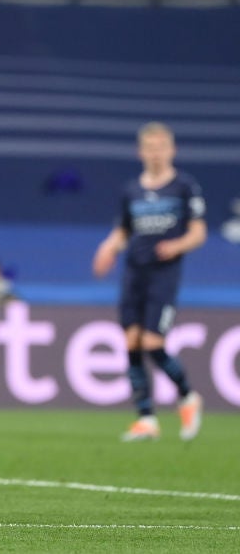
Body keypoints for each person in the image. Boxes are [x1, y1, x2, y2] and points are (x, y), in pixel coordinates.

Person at [92, 122, 206, 442]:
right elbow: (124, 230)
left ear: (172, 150)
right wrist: (108, 248)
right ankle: (146, 418)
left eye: (161, 148)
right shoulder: (131, 190)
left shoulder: (184, 186)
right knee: (130, 342)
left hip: (163, 275)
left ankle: (188, 396)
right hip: (134, 272)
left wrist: (177, 246)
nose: (156, 154)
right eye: (150, 148)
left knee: (152, 343)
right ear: (141, 152)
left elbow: (199, 232)